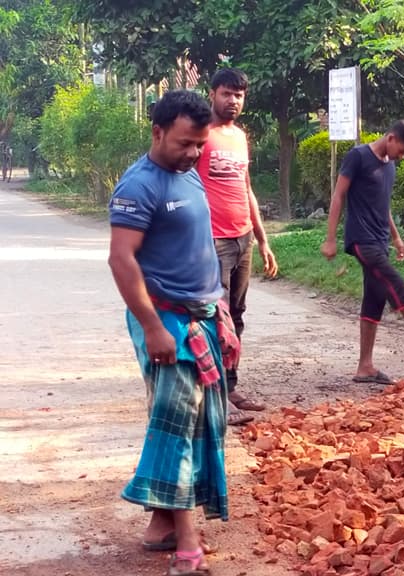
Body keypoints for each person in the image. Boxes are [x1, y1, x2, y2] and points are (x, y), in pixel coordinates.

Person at [108, 90, 235, 576]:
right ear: (157, 132)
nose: (194, 153)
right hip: (166, 322)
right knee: (179, 427)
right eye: (185, 143)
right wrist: (153, 326)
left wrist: (218, 309)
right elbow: (121, 259)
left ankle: (161, 524)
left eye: (200, 144)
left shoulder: (188, 174)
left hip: (200, 318)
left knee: (198, 424)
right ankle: (188, 549)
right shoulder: (139, 186)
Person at [320, 120, 404, 383]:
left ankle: (365, 367)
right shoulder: (358, 157)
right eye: (401, 150)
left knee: (375, 297)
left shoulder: (389, 165)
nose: (401, 156)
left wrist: (396, 237)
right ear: (390, 137)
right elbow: (338, 195)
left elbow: (384, 205)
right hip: (362, 240)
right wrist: (330, 238)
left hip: (380, 241)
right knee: (396, 285)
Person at [196, 67, 278, 426]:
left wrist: (262, 240)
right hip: (211, 240)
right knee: (216, 317)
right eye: (227, 93)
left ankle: (230, 387)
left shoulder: (240, 137)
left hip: (242, 237)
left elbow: (246, 189)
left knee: (237, 316)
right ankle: (213, 398)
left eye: (239, 95)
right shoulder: (199, 134)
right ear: (212, 93)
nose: (233, 100)